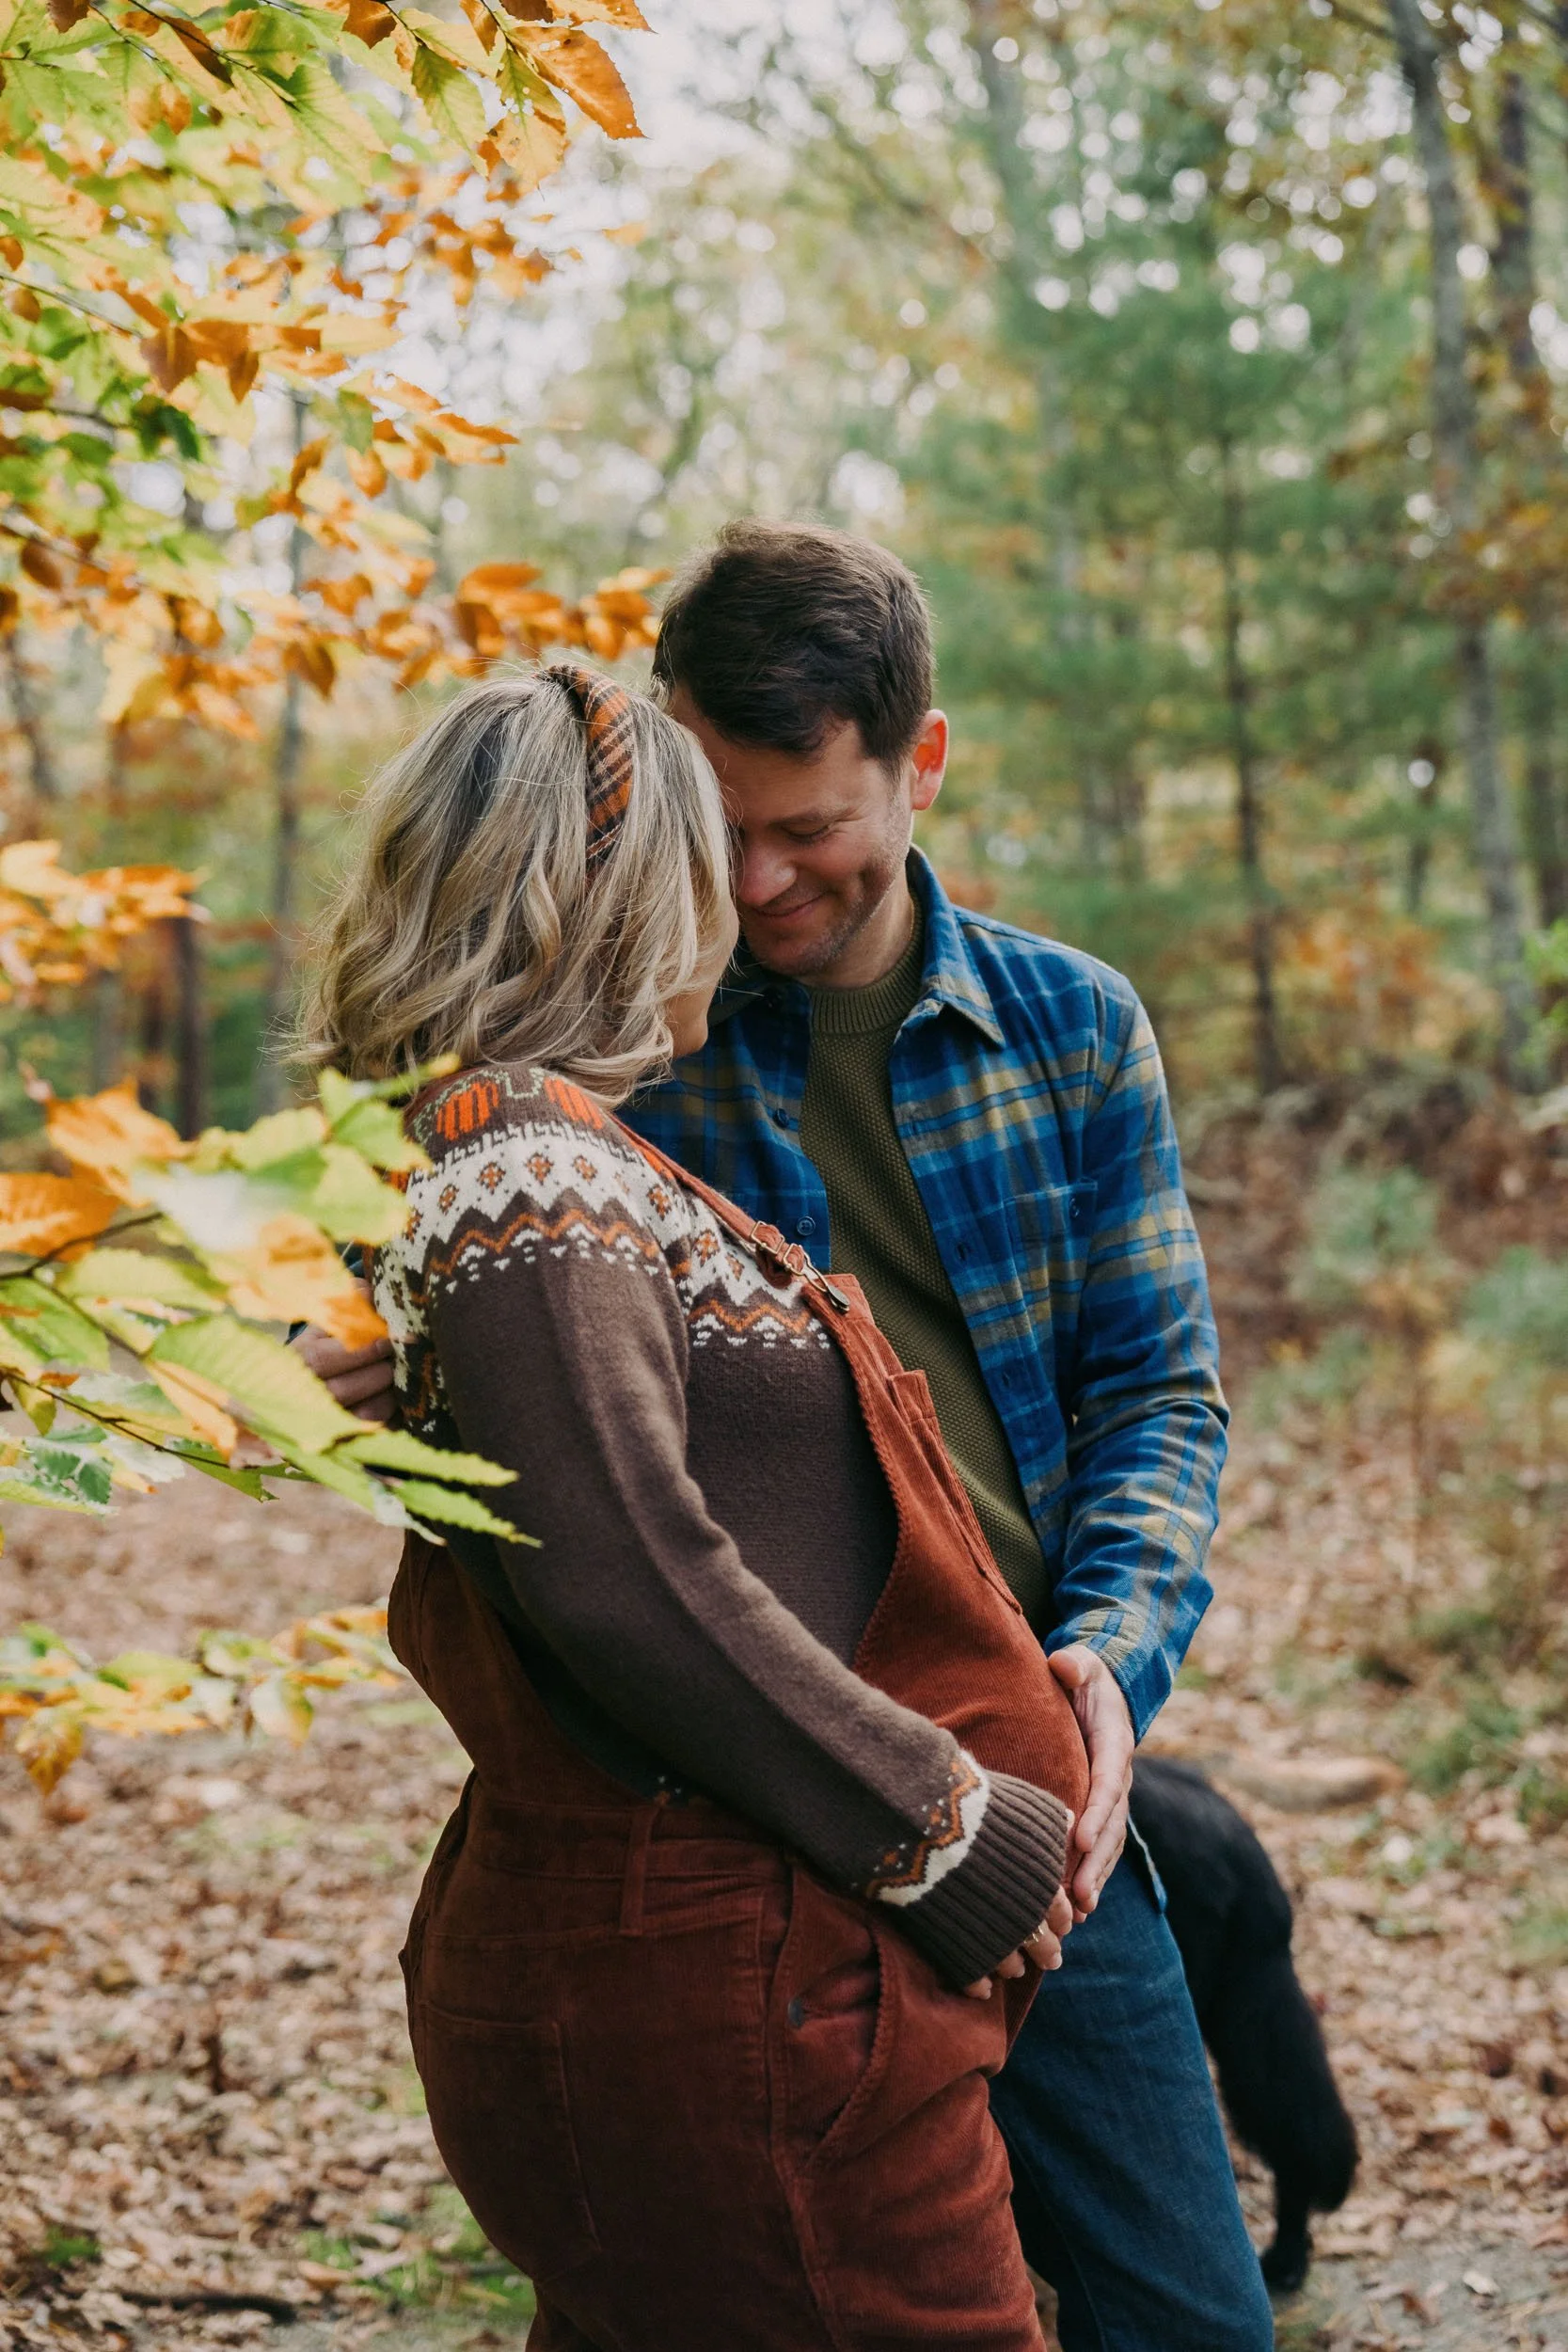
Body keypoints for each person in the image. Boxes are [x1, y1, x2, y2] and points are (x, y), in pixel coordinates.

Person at [305, 525, 1276, 2352]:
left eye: (804, 828)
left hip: (1028, 1788)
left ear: (916, 765)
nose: (752, 880)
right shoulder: (616, 1047)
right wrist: (335, 1339)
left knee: (1180, 2309)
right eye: (714, 823)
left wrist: (1101, 1667)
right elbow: (559, 1469)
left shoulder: (1069, 1029)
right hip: (749, 1840)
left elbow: (1156, 1389)